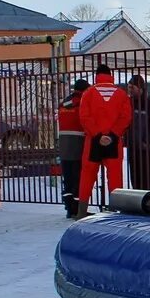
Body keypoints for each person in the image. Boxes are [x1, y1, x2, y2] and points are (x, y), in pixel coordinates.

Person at [75, 63, 133, 218]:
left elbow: (84, 117)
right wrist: (113, 134)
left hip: (93, 140)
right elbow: (126, 117)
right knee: (115, 176)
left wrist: (98, 135)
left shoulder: (89, 93)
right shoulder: (121, 94)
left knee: (87, 175)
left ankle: (81, 211)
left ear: (96, 76)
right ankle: (116, 211)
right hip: (114, 140)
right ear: (111, 75)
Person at [125, 73, 150, 198]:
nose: (130, 90)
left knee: (149, 175)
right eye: (129, 87)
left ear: (140, 88)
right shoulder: (129, 103)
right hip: (133, 145)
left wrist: (146, 141)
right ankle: (139, 200)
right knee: (135, 175)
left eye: (132, 87)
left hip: (147, 147)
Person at [56, 78, 90, 217]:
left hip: (64, 145)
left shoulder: (64, 103)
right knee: (78, 179)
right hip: (78, 145)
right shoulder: (83, 102)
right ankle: (77, 209)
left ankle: (69, 208)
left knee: (68, 178)